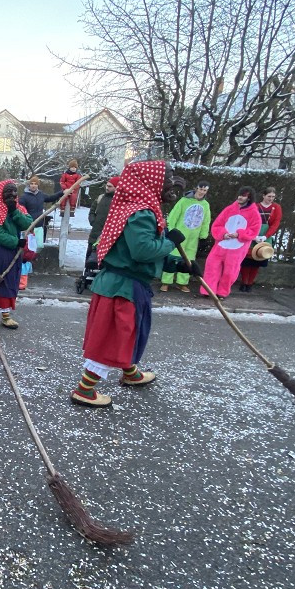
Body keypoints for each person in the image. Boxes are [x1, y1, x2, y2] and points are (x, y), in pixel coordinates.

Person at [71, 160, 189, 408]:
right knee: (113, 337)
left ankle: (130, 372)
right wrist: (170, 241)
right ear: (151, 181)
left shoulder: (133, 207)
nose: (171, 184)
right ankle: (85, 389)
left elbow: (132, 250)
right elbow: (143, 251)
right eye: (167, 179)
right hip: (123, 288)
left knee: (129, 332)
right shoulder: (141, 212)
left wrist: (176, 265)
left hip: (121, 282)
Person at [0, 180, 33, 328]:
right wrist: (15, 241)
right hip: (2, 254)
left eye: (14, 192)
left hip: (15, 253)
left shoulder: (19, 208)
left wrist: (14, 211)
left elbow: (27, 223)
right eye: (8, 193)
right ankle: (5, 316)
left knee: (12, 282)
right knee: (1, 283)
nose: (12, 196)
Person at [201, 187, 262, 299]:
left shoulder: (254, 213)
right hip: (221, 245)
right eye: (240, 195)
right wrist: (223, 234)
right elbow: (217, 225)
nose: (240, 197)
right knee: (211, 267)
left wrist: (240, 234)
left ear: (249, 198)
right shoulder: (229, 209)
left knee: (230, 272)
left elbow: (254, 230)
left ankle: (222, 292)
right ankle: (208, 290)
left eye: (243, 196)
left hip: (237, 248)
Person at [160, 180, 211, 292]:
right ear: (197, 188)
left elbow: (206, 221)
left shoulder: (206, 205)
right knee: (172, 258)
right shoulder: (184, 201)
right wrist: (171, 230)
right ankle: (166, 281)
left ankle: (182, 282)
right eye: (201, 189)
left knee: (188, 260)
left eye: (205, 190)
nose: (202, 192)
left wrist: (203, 236)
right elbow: (174, 215)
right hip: (180, 234)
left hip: (193, 237)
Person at [238, 186, 283, 291]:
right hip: (253, 234)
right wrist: (252, 235)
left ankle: (250, 283)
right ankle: (244, 282)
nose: (271, 198)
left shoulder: (276, 208)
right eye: (269, 196)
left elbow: (275, 223)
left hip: (265, 236)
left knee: (258, 260)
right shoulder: (255, 206)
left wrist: (266, 236)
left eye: (273, 196)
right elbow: (249, 220)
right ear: (263, 196)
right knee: (247, 261)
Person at [19, 176, 64, 243]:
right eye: (32, 183)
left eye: (35, 184)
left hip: (39, 226)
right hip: (29, 226)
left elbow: (50, 198)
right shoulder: (24, 197)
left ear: (38, 185)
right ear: (29, 185)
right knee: (27, 247)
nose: (33, 186)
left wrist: (62, 193)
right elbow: (21, 212)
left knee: (39, 246)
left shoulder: (41, 195)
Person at [88, 176, 119, 249]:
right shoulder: (100, 197)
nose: (107, 188)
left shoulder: (118, 201)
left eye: (110, 186)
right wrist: (92, 220)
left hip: (108, 238)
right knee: (90, 258)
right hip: (94, 235)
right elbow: (92, 210)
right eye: (107, 185)